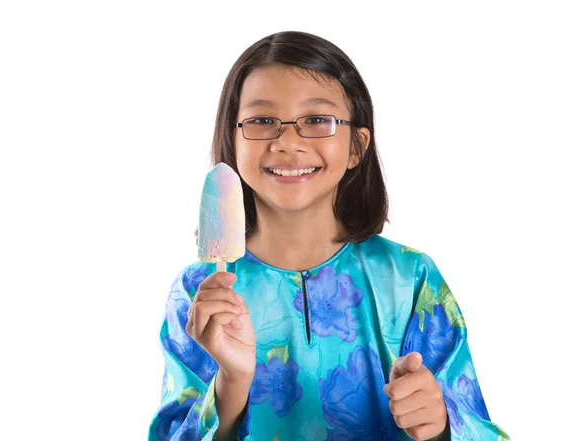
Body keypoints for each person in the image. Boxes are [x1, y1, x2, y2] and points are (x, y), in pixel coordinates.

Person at [148, 31, 509, 441]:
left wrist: (441, 423)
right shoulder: (198, 293)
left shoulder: (410, 280)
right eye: (262, 121)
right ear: (232, 142)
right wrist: (231, 382)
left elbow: (482, 430)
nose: (287, 141)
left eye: (317, 121)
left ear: (357, 146)